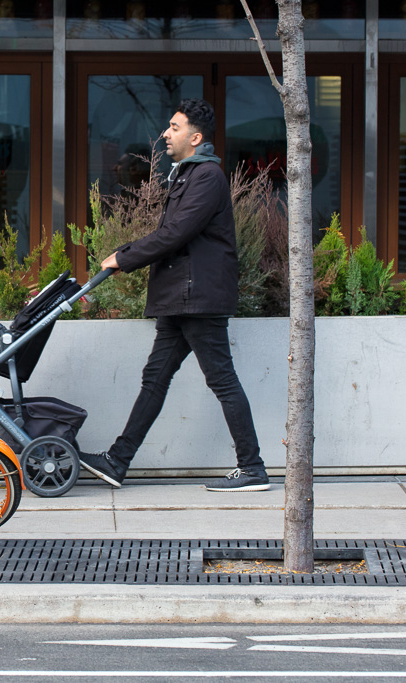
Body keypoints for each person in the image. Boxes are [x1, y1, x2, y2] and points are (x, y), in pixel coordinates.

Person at [79, 98, 270, 493]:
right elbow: (173, 234)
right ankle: (118, 461)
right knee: (155, 379)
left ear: (195, 137)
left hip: (196, 298)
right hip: (183, 297)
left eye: (175, 127)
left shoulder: (207, 177)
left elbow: (176, 233)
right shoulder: (186, 175)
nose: (166, 133)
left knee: (222, 380)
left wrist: (124, 256)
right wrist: (127, 253)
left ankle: (251, 467)